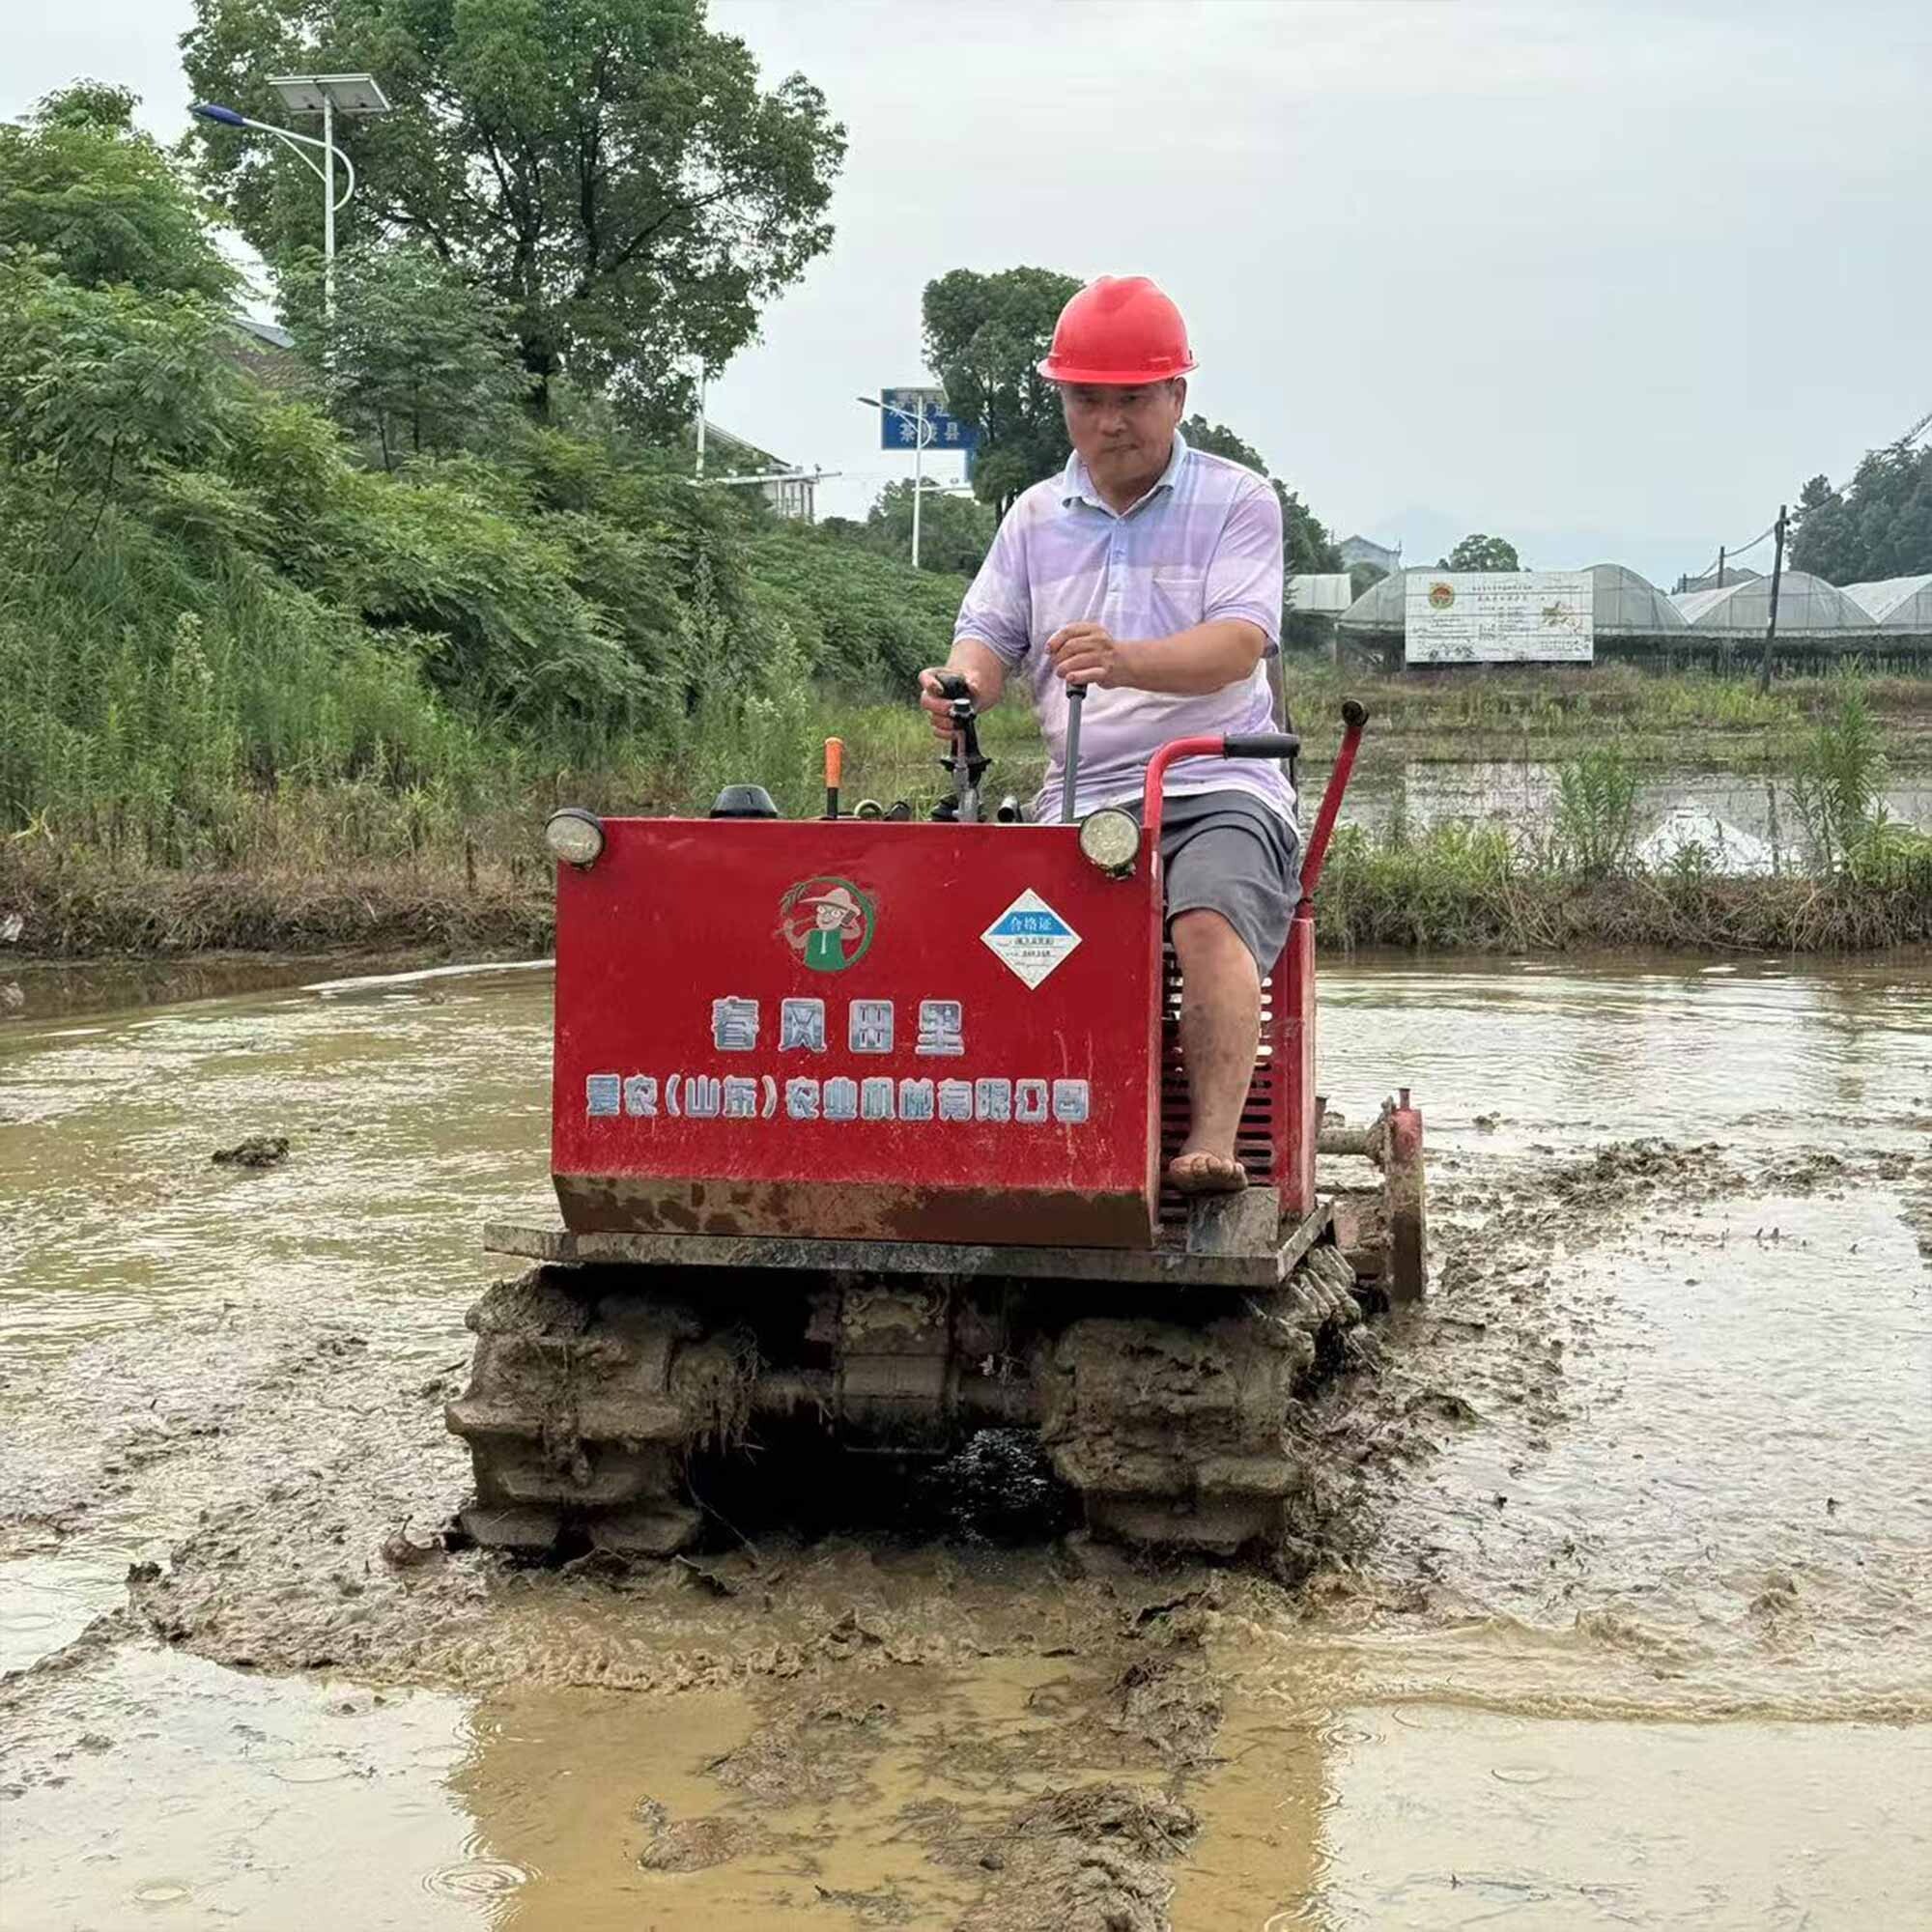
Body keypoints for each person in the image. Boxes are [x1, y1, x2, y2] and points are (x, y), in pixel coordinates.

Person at [919, 274, 1297, 1196]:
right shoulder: (1034, 517)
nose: (1110, 420)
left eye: (1133, 398)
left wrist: (1123, 661)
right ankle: (1028, 1136)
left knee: (1205, 917)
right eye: (1089, 398)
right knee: (1009, 947)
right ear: (1064, 400)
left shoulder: (1239, 502)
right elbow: (989, 639)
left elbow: (1239, 646)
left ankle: (1210, 1143)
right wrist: (960, 685)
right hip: (1081, 798)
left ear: (1177, 395)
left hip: (1218, 781)